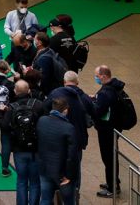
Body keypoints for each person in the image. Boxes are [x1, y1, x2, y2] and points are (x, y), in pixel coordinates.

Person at [48, 72, 91, 202]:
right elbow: (94, 112)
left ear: (64, 81)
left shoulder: (55, 94)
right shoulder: (83, 97)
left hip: (58, 139)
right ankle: (75, 195)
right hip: (77, 139)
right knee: (75, 168)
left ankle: (58, 193)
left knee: (58, 165)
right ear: (77, 82)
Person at [4, 79, 45, 205]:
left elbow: (5, 126)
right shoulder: (38, 105)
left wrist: (0, 114)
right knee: (35, 182)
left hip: (19, 149)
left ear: (15, 91)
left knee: (21, 181)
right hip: (36, 149)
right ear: (28, 91)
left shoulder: (11, 107)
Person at [92, 65, 125, 199]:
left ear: (104, 76)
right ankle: (113, 182)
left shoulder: (105, 93)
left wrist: (93, 103)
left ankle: (112, 188)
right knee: (112, 157)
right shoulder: (114, 87)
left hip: (106, 130)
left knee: (108, 158)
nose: (96, 78)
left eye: (97, 76)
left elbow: (98, 111)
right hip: (114, 127)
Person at [36, 96, 76, 204]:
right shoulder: (68, 128)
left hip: (44, 167)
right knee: (68, 200)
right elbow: (71, 155)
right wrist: (69, 176)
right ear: (65, 110)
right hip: (61, 172)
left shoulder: (42, 120)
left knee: (45, 198)